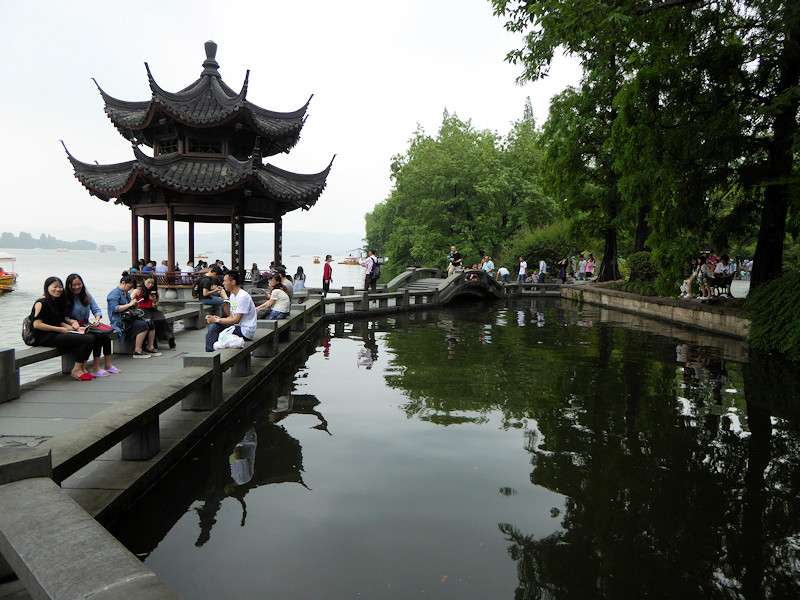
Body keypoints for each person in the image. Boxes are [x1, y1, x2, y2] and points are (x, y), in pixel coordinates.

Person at [30, 277, 97, 381]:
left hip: (56, 334)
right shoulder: (41, 302)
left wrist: (73, 328)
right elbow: (37, 324)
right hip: (44, 337)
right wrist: (59, 329)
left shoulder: (56, 302)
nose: (58, 289)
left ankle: (83, 369)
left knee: (90, 337)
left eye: (60, 287)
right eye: (55, 287)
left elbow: (59, 321)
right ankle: (76, 370)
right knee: (87, 340)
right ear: (47, 288)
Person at [64, 273, 119, 376]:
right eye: (74, 285)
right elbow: (64, 318)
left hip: (87, 325)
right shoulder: (66, 299)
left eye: (79, 284)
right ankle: (95, 368)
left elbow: (96, 310)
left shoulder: (86, 295)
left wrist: (97, 319)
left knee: (106, 337)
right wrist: (72, 322)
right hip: (75, 328)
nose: (77, 287)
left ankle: (107, 365)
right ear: (69, 286)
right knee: (96, 337)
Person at [108, 274, 160, 358]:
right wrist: (129, 304)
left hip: (129, 318)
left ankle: (150, 347)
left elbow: (131, 306)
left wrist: (135, 305)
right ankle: (137, 350)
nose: (130, 289)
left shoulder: (126, 293)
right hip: (121, 321)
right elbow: (115, 308)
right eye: (129, 286)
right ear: (123, 283)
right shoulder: (114, 294)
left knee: (150, 323)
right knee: (143, 325)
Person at [205, 270, 257, 352]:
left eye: (225, 281)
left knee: (215, 326)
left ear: (233, 282)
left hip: (245, 330)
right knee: (214, 325)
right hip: (238, 326)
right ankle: (212, 354)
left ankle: (211, 354)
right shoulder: (233, 296)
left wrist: (218, 320)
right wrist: (218, 319)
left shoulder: (242, 296)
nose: (223, 283)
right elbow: (231, 316)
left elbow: (236, 320)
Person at [132, 275, 176, 349]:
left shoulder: (156, 292)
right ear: (144, 281)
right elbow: (130, 302)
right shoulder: (137, 291)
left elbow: (155, 306)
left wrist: (154, 300)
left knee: (162, 320)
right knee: (150, 321)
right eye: (149, 283)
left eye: (152, 283)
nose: (150, 285)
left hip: (152, 310)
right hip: (142, 310)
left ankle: (170, 339)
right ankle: (152, 342)